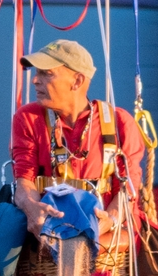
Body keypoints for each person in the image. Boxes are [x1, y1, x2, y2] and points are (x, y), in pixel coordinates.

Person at [9, 39, 146, 233]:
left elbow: (128, 188)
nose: (35, 80)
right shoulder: (28, 118)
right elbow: (24, 181)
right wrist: (32, 209)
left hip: (109, 243)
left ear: (78, 81)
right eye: (36, 72)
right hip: (51, 233)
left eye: (46, 73)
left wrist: (111, 220)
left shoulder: (120, 122)